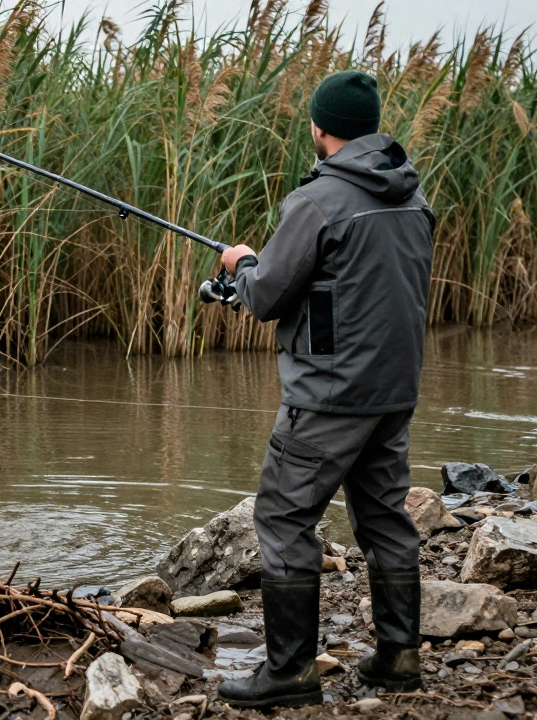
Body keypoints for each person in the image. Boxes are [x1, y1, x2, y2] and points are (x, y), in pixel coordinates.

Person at [215, 70, 435, 709]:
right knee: (385, 518)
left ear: (320, 127)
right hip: (393, 393)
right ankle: (400, 656)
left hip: (328, 397)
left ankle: (290, 672)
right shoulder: (412, 197)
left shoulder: (318, 201)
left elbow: (264, 296)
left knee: (283, 516)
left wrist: (240, 263)